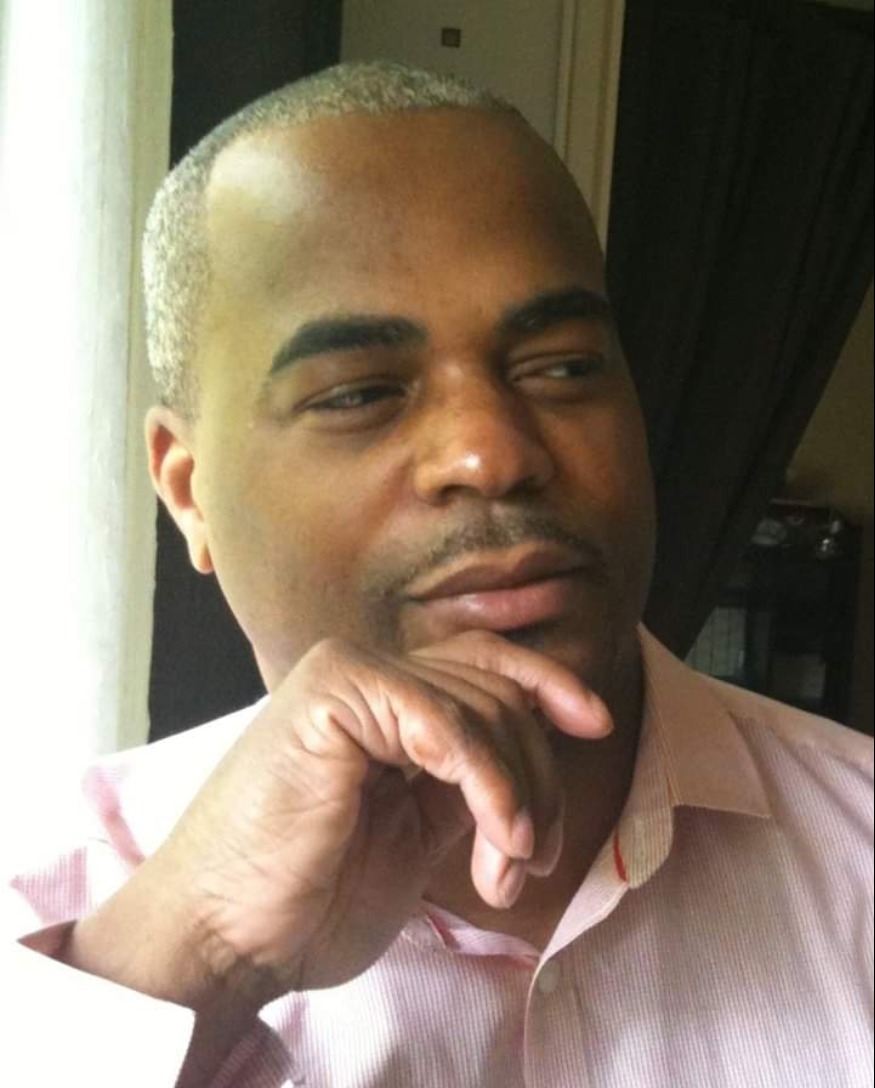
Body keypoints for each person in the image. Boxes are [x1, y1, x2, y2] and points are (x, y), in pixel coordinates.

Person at [3, 61, 872, 1088]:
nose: (490, 453)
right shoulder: (48, 915)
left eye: (561, 365)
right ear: (190, 493)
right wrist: (194, 958)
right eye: (359, 393)